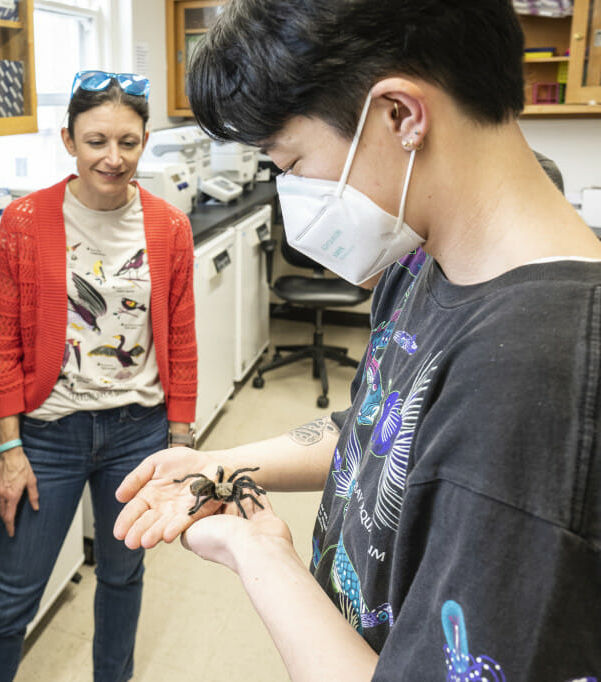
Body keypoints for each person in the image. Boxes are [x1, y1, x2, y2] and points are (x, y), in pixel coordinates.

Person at [114, 0, 601, 679]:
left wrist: (260, 555)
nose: (294, 194)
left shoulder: (535, 383)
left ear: (401, 115)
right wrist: (218, 465)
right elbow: (381, 426)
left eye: (293, 162)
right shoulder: (425, 256)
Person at [0, 70, 198, 682]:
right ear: (68, 140)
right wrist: (9, 446)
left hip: (138, 432)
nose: (113, 158)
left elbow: (178, 336)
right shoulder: (24, 220)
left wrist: (181, 440)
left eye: (128, 141)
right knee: (10, 599)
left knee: (123, 577)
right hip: (48, 437)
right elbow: (1, 341)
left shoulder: (170, 226)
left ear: (145, 140)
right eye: (96, 141)